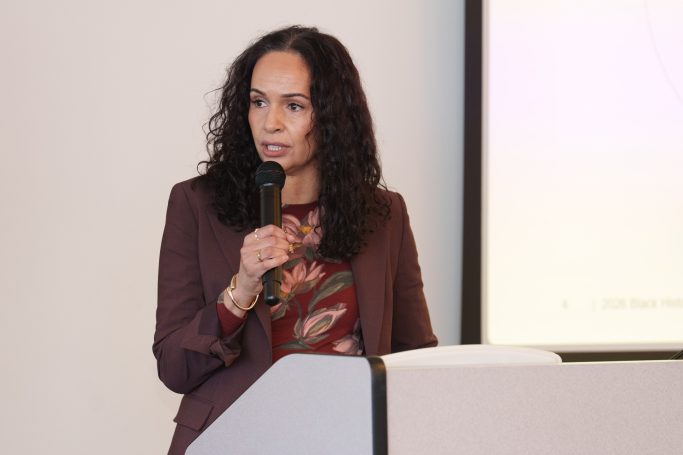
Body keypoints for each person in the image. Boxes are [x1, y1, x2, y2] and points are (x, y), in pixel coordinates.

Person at [153, 25, 437, 454]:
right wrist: (239, 293)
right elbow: (174, 368)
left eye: (294, 105)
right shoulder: (197, 205)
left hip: (346, 440)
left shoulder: (383, 215)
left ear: (332, 116)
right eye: (258, 102)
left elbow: (414, 358)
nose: (271, 123)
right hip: (233, 441)